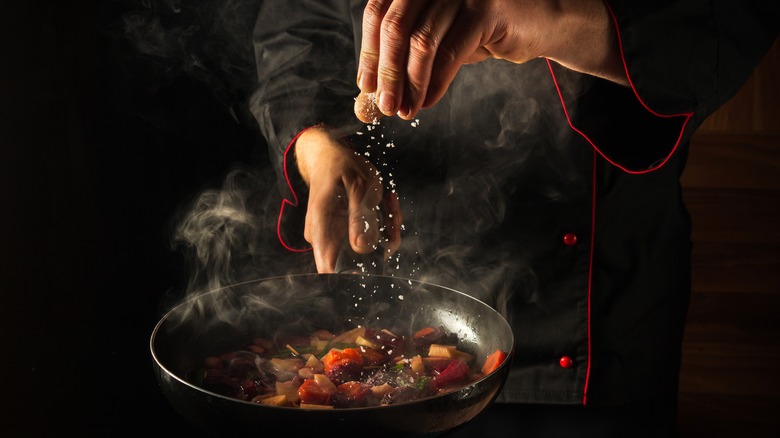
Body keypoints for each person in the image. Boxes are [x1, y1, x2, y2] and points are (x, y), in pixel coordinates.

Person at [250, 0, 779, 435]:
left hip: (602, 322)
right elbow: (298, 23)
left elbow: (728, 21)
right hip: (403, 302)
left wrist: (551, 19)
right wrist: (316, 147)